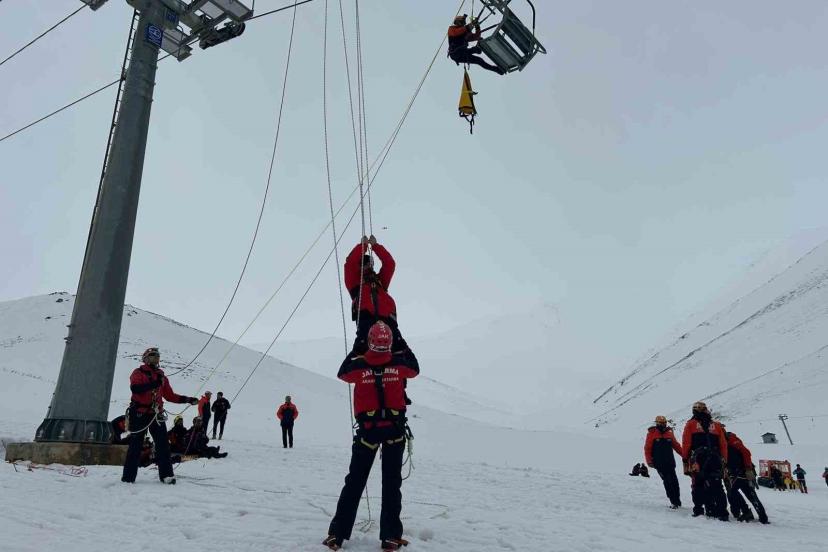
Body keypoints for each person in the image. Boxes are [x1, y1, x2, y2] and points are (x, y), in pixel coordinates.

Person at [323, 322, 419, 551]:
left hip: (368, 433)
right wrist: (402, 342)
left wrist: (357, 348)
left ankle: (337, 535)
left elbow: (342, 372)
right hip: (394, 432)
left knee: (355, 482)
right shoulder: (399, 363)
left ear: (370, 341)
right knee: (392, 483)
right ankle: (390, 537)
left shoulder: (358, 365)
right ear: (390, 342)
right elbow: (415, 368)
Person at [344, 235, 415, 404]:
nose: (367, 266)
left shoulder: (380, 282)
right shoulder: (355, 284)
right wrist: (362, 246)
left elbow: (390, 264)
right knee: (361, 354)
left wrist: (375, 246)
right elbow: (349, 264)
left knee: (400, 353)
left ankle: (400, 390)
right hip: (367, 323)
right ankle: (367, 390)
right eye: (363, 263)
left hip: (389, 323)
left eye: (369, 263)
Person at [121, 347, 198, 484]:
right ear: (145, 358)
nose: (155, 358)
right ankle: (128, 477)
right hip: (140, 413)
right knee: (135, 445)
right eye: (152, 355)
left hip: (156, 415)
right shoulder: (138, 373)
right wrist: (154, 384)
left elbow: (170, 396)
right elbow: (136, 389)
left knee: (163, 445)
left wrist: (188, 399)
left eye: (157, 356)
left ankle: (166, 475)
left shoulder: (161, 377)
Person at [681, 401, 729, 521]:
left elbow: (686, 443)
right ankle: (722, 513)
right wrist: (724, 460)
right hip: (715, 459)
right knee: (717, 486)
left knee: (698, 485)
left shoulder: (691, 424)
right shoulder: (716, 425)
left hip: (698, 459)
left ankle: (699, 510)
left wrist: (685, 460)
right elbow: (723, 444)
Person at [724, 429, 769, 523]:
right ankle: (762, 518)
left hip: (741, 472)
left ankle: (748, 513)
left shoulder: (731, 440)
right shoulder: (729, 440)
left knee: (733, 493)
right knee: (750, 495)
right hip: (741, 472)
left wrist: (748, 468)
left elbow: (746, 452)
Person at [644, 415, 683, 508]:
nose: (663, 424)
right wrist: (649, 461)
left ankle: (677, 501)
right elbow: (647, 448)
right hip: (659, 463)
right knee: (667, 481)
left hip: (670, 462)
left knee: (674, 482)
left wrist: (685, 455)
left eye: (664, 423)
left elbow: (676, 446)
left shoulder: (669, 433)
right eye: (661, 423)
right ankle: (673, 501)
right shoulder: (652, 433)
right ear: (657, 423)